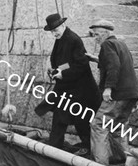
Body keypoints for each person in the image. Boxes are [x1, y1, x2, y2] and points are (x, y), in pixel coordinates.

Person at [35, 13, 101, 155]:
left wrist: (62, 74)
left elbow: (81, 64)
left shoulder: (73, 39)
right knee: (60, 116)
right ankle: (55, 147)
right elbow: (68, 62)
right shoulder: (61, 38)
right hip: (68, 88)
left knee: (80, 120)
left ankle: (88, 148)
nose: (54, 34)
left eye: (55, 30)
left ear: (63, 25)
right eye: (52, 31)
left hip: (81, 90)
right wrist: (58, 69)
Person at [87, 19, 138, 165]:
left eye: (97, 34)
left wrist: (108, 88)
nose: (96, 38)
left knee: (99, 125)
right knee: (118, 127)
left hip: (117, 94)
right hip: (131, 94)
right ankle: (124, 161)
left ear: (106, 33)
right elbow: (117, 63)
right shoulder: (121, 44)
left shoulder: (107, 44)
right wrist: (97, 59)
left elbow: (114, 66)